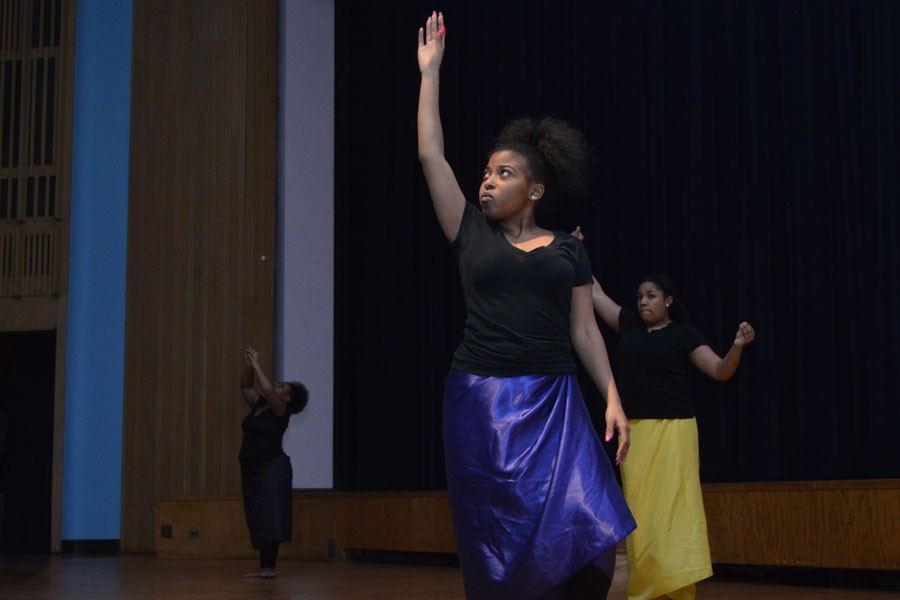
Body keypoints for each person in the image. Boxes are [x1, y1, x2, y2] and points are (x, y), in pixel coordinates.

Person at [417, 12, 636, 600]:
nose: (487, 181)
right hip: (480, 400)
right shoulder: (469, 232)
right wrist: (430, 73)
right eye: (486, 172)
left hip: (555, 401)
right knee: (498, 537)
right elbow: (432, 157)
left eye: (503, 173)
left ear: (535, 190)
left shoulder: (569, 250)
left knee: (590, 528)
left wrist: (612, 399)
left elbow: (586, 331)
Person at [587, 271, 755, 600]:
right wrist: (576, 252)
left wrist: (736, 347)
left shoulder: (684, 334)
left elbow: (720, 370)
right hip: (636, 433)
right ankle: (646, 590)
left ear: (668, 300)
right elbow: (595, 293)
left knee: (676, 509)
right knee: (642, 512)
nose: (643, 302)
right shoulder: (630, 325)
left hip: (676, 430)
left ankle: (677, 590)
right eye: (639, 297)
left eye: (650, 295)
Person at [238, 346, 309, 579]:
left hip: (271, 468)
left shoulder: (282, 410)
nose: (277, 386)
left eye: (282, 387)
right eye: (278, 384)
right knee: (258, 514)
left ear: (287, 398)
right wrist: (249, 367)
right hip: (252, 469)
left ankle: (269, 567)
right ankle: (264, 567)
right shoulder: (260, 406)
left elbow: (268, 391)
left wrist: (258, 364)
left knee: (270, 515)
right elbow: (246, 386)